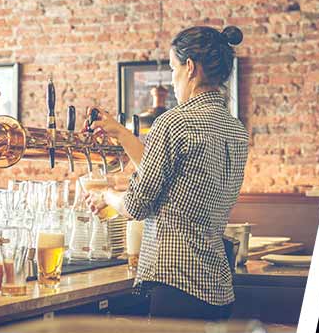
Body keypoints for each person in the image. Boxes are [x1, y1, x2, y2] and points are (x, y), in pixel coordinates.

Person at [86, 25, 248, 320]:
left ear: (189, 68)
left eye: (173, 69)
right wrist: (121, 133)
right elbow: (169, 174)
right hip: (217, 287)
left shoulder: (174, 122)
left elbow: (136, 205)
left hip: (177, 285)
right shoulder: (236, 130)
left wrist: (107, 194)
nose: (173, 81)